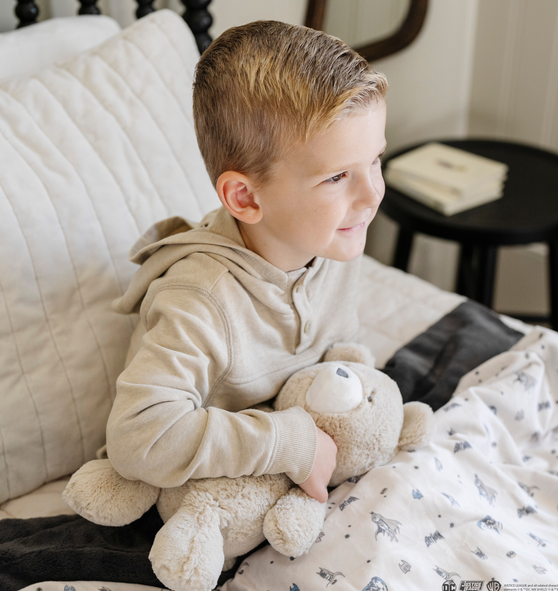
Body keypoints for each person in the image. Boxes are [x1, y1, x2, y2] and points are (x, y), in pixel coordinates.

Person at [105, 20, 388, 504]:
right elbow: (138, 437)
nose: (371, 195)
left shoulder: (332, 241)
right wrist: (289, 442)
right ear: (245, 197)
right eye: (338, 176)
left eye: (376, 161)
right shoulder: (201, 301)